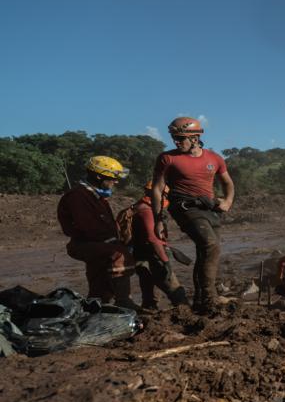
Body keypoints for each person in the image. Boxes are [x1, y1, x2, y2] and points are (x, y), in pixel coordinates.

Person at [151, 117, 235, 315]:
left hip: (209, 208)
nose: (177, 142)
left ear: (196, 138)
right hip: (185, 207)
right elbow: (157, 189)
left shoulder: (214, 158)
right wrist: (158, 219)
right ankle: (209, 298)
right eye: (174, 138)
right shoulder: (167, 158)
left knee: (207, 252)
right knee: (210, 245)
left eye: (181, 138)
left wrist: (228, 201)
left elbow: (228, 183)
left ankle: (199, 300)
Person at [57, 156, 137, 307]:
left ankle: (98, 306)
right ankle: (124, 301)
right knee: (119, 255)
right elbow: (89, 227)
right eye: (112, 178)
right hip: (85, 243)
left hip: (97, 243)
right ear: (98, 176)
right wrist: (116, 244)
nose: (116, 182)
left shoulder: (96, 196)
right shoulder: (78, 196)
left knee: (99, 283)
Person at [132, 181, 188, 311]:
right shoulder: (146, 211)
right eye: (165, 195)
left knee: (148, 287)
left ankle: (150, 310)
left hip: (141, 255)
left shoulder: (139, 206)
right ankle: (184, 310)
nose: (166, 198)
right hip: (152, 253)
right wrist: (165, 261)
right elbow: (153, 239)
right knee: (172, 286)